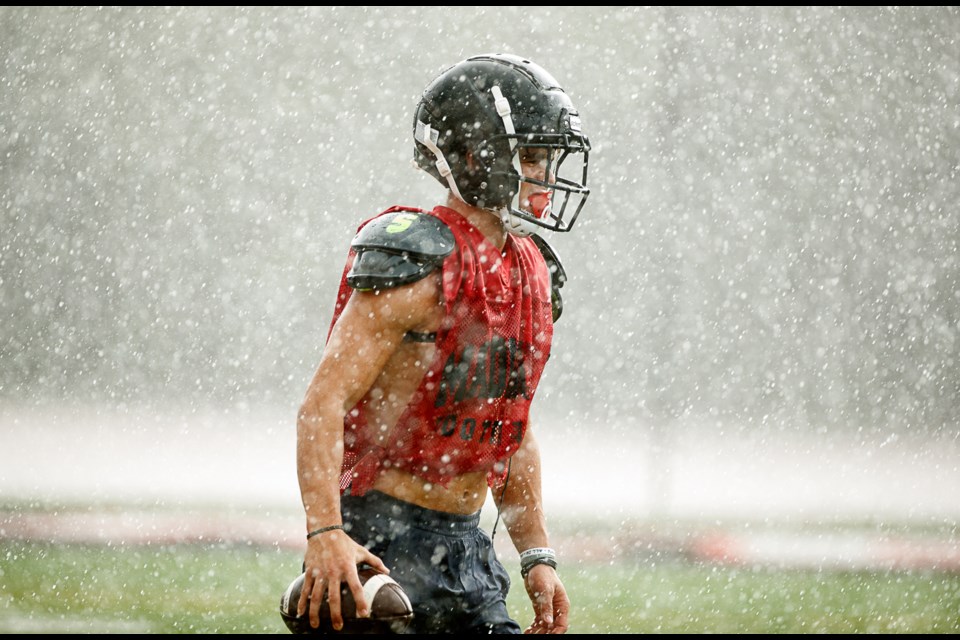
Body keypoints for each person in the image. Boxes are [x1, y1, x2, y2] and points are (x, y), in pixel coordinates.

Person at [295, 53, 590, 634]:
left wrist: (535, 553)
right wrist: (326, 531)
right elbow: (322, 404)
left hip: (467, 546)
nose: (548, 176)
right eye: (531, 157)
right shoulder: (417, 263)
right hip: (384, 538)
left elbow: (511, 426)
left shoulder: (530, 271)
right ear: (477, 157)